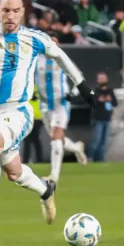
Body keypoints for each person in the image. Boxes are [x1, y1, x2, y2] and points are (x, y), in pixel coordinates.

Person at [0, 0, 95, 233]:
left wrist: (83, 86)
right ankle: (46, 190)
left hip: (19, 113)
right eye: (6, 10)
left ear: (23, 12)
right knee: (13, 172)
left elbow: (61, 57)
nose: (10, 16)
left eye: (16, 11)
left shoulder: (34, 39)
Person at [35, 33, 88, 184]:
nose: (52, 45)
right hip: (44, 105)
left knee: (56, 137)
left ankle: (54, 176)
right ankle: (77, 148)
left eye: (55, 42)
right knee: (56, 139)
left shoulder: (62, 58)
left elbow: (78, 76)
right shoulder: (36, 60)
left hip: (61, 103)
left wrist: (73, 93)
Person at [88, 72, 117, 162]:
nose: (102, 80)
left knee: (103, 142)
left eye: (103, 78)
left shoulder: (110, 91)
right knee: (96, 140)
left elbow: (115, 103)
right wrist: (101, 100)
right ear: (97, 80)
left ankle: (100, 160)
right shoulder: (95, 91)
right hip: (97, 119)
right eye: (100, 78)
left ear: (106, 79)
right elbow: (93, 103)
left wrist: (110, 100)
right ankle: (89, 158)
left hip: (107, 119)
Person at [23, 85, 44, 163]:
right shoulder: (31, 87)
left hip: (36, 117)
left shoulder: (35, 87)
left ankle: (38, 160)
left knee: (34, 139)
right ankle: (27, 161)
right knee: (28, 140)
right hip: (29, 117)